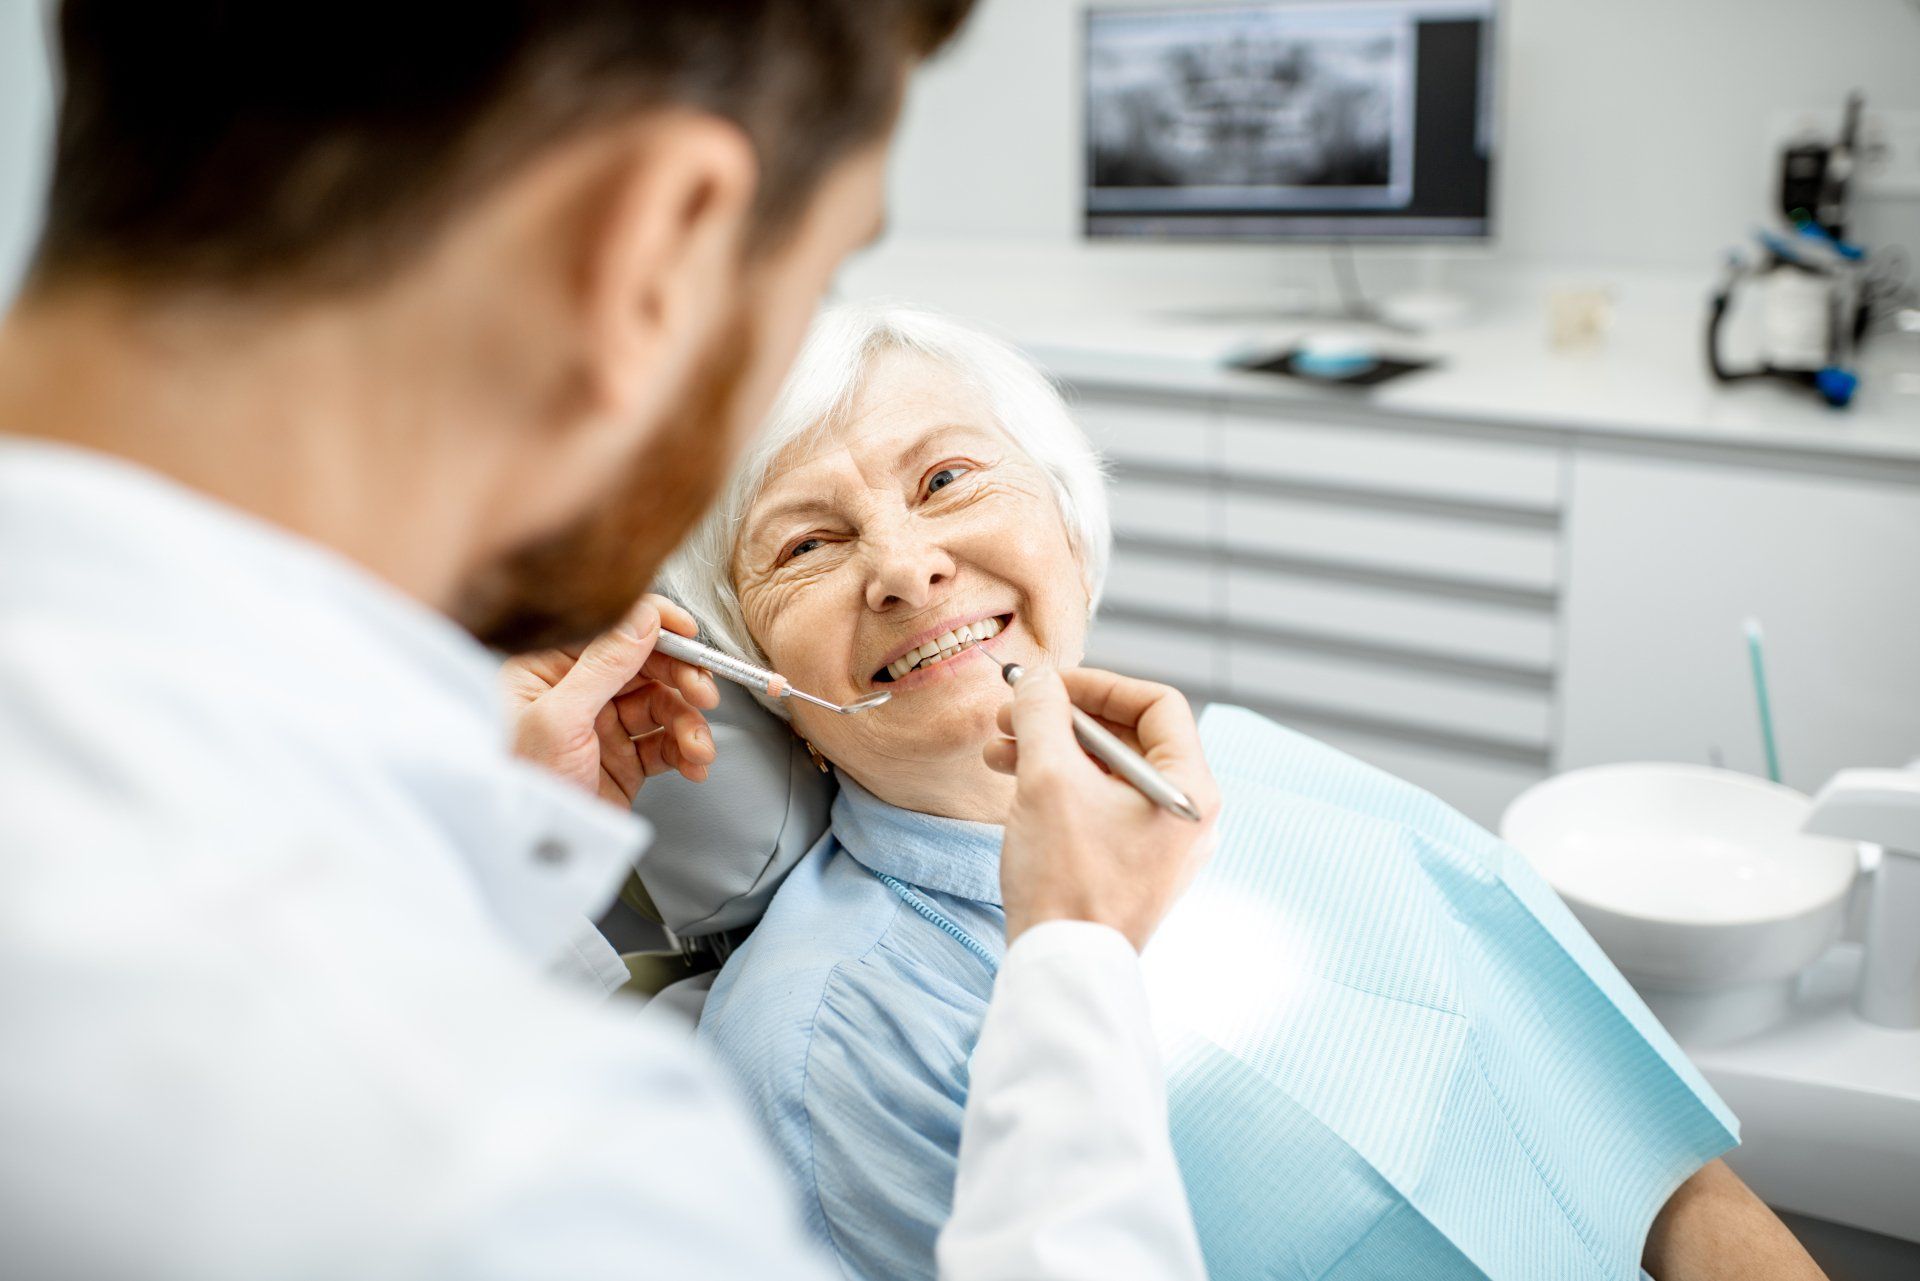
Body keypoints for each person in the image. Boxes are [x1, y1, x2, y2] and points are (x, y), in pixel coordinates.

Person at [0, 6, 1218, 1278]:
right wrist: (1075, 968)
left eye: (951, 477)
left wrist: (482, 860)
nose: (906, 563)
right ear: (657, 244)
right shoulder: (519, 1172)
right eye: (818, 277)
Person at [666, 302, 1831, 1281]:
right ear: (761, 681)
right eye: (806, 547)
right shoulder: (825, 1046)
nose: (906, 563)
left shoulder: (1283, 785)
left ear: (1067, 522)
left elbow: (1664, 1175)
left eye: (950, 478)